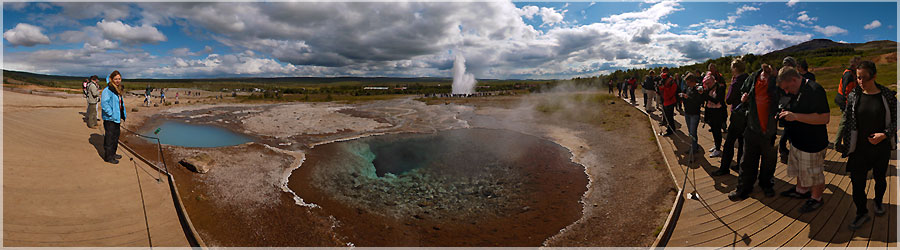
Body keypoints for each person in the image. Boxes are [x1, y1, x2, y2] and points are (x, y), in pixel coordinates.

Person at [835, 61, 897, 230]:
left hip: (880, 148)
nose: (860, 82)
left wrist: (884, 134)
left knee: (880, 178)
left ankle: (878, 202)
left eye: (864, 78)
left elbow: (896, 119)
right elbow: (847, 118)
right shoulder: (855, 94)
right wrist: (839, 139)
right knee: (857, 182)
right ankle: (861, 212)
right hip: (859, 149)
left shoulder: (887, 95)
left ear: (874, 76)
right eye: (858, 78)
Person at [775, 66, 830, 213]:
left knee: (815, 173)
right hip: (797, 141)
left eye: (787, 87)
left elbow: (825, 118)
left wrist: (795, 116)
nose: (786, 91)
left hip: (813, 143)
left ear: (794, 79)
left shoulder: (814, 90)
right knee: (800, 170)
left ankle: (817, 198)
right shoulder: (795, 90)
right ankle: (801, 190)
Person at [729, 64, 779, 201]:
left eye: (770, 69)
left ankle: (766, 184)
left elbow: (782, 97)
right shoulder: (752, 78)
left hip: (770, 129)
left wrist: (774, 78)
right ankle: (743, 189)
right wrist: (743, 98)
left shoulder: (776, 81)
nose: (767, 71)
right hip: (752, 126)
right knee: (747, 161)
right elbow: (743, 92)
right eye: (765, 69)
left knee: (769, 160)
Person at [713, 58, 749, 176]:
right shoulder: (749, 79)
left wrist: (732, 84)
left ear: (735, 68)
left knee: (729, 143)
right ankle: (740, 165)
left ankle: (724, 168)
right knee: (742, 141)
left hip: (737, 114)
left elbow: (728, 99)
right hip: (747, 114)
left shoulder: (737, 81)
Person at [101, 70, 127, 164]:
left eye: (119, 79)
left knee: (116, 137)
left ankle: (113, 153)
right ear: (111, 79)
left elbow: (120, 103)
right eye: (115, 79)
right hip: (110, 119)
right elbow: (104, 103)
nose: (118, 80)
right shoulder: (107, 90)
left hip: (116, 117)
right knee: (109, 138)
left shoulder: (117, 89)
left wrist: (122, 114)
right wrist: (111, 113)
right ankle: (108, 157)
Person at [703, 64, 727, 158]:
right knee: (714, 130)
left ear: (713, 81)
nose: (707, 85)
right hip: (711, 112)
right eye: (706, 84)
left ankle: (718, 149)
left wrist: (706, 96)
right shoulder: (709, 89)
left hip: (718, 112)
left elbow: (717, 100)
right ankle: (716, 145)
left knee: (717, 131)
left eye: (708, 83)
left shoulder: (719, 88)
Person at [680, 73, 704, 153]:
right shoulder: (688, 88)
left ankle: (693, 148)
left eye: (688, 82)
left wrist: (688, 98)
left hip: (694, 114)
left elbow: (698, 102)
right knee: (690, 132)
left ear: (693, 81)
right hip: (687, 112)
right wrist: (682, 96)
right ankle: (694, 146)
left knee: (693, 132)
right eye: (686, 82)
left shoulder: (698, 89)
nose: (687, 84)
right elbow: (685, 98)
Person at [658, 67, 679, 136]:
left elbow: (671, 91)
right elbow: (661, 90)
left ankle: (670, 130)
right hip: (666, 100)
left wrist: (663, 88)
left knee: (669, 117)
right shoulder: (667, 81)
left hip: (670, 100)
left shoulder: (671, 81)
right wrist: (660, 87)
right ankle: (670, 128)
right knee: (667, 116)